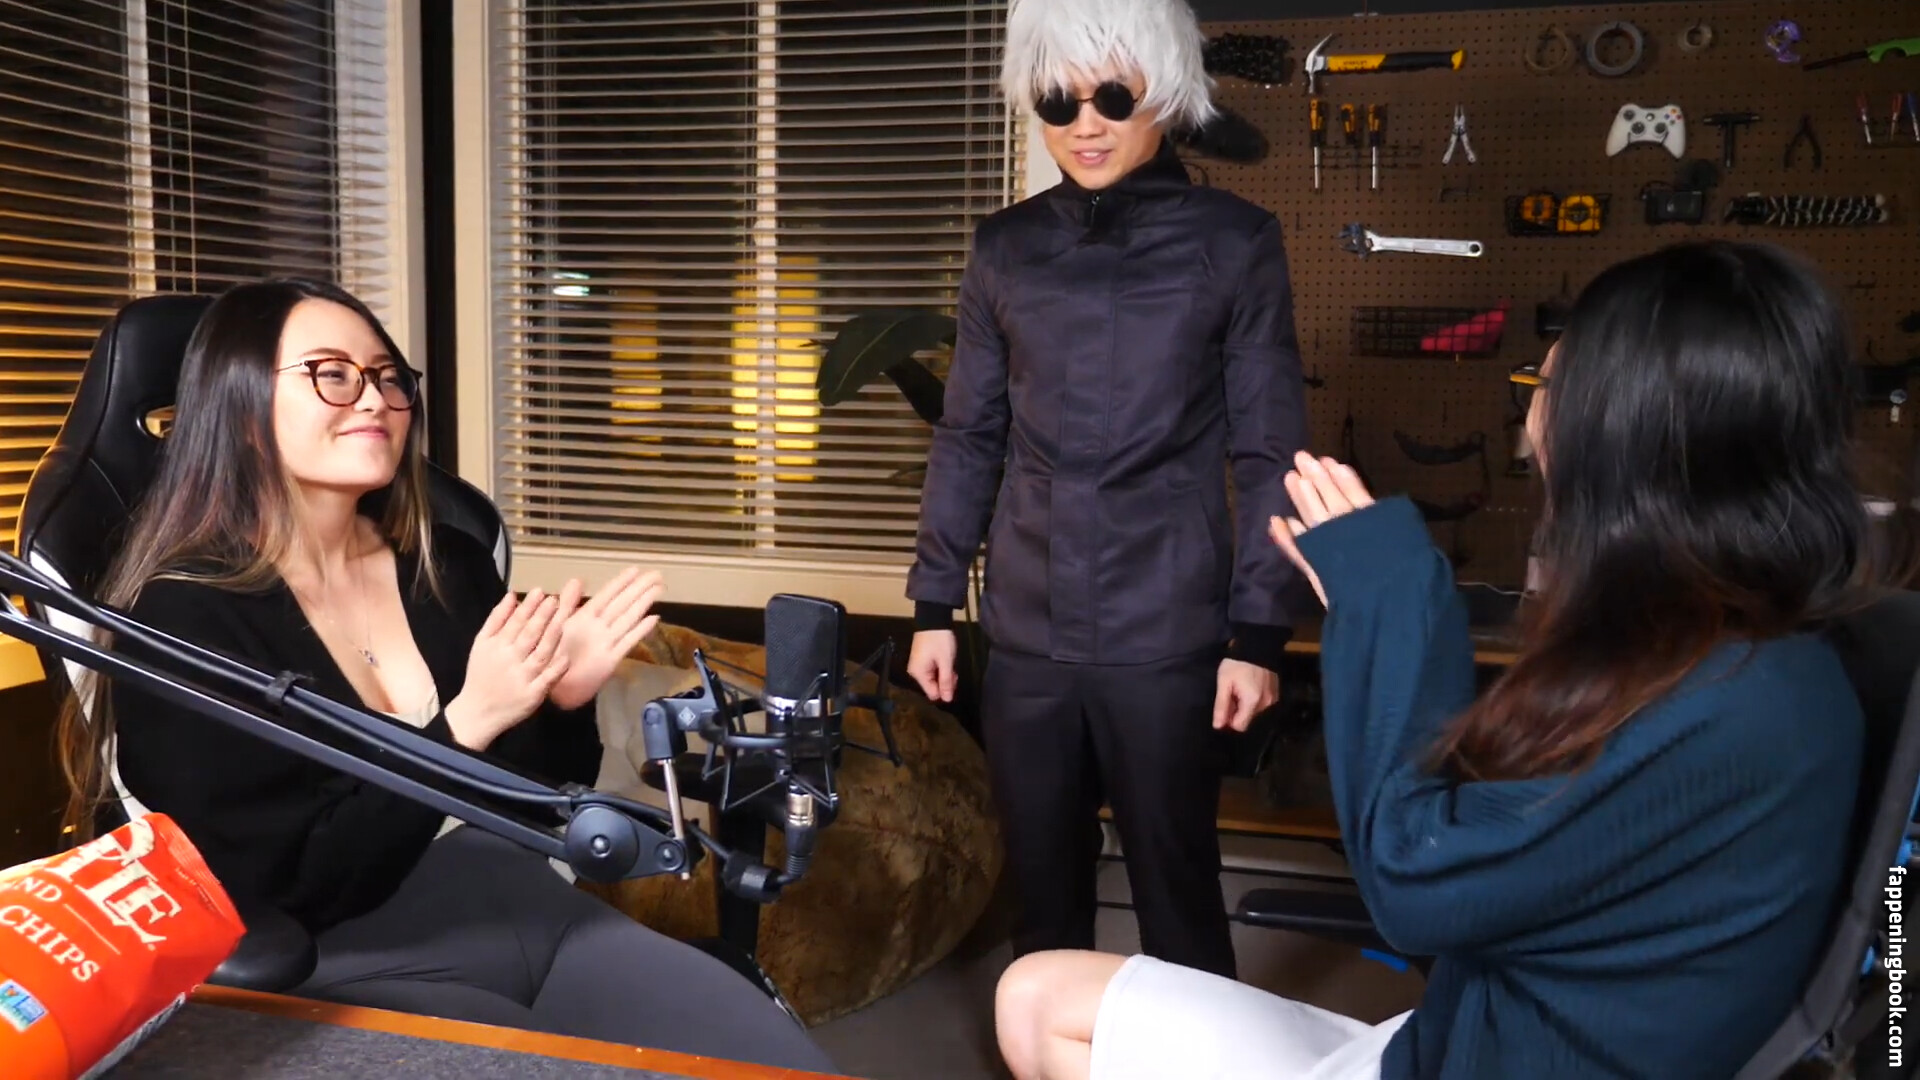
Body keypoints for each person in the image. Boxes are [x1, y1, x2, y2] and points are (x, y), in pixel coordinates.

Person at [993, 240, 1894, 1079]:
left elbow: (1414, 880)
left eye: (1547, 385)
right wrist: (1377, 605)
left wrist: (1392, 605)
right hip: (1456, 1034)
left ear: (1618, 434)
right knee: (1036, 995)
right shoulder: (1731, 651)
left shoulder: (1728, 704)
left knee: (1035, 1008)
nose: (1533, 416)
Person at [56, 278, 837, 1073]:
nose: (375, 398)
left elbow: (534, 803)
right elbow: (277, 885)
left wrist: (561, 701)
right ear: (241, 406)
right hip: (340, 959)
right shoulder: (182, 618)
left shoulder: (445, 563)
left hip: (520, 905)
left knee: (782, 1065)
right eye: (332, 374)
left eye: (387, 376)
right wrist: (464, 724)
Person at [903, 0, 1308, 980]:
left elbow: (1269, 450)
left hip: (1166, 628)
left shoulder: (1236, 242)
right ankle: (1050, 1045)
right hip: (1027, 629)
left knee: (1177, 886)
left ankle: (1198, 1049)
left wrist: (1259, 635)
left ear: (1164, 96)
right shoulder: (1003, 248)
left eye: (1114, 98)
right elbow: (970, 434)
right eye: (1059, 101)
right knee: (1041, 886)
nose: (1086, 125)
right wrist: (932, 607)